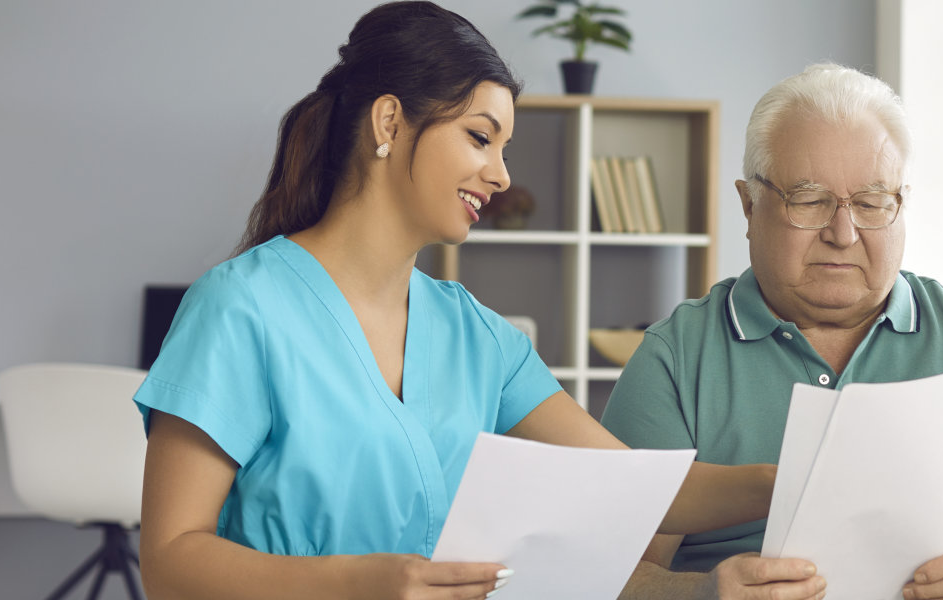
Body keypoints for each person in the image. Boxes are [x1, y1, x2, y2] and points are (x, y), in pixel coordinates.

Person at [134, 4, 774, 599]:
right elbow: (169, 560)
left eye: (504, 149)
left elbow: (637, 489)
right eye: (479, 137)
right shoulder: (240, 307)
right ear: (389, 122)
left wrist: (781, 483)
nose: (501, 175)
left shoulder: (478, 335)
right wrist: (361, 584)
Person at [602, 63, 943, 600]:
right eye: (810, 201)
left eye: (871, 203)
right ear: (749, 206)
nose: (843, 234)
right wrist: (701, 593)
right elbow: (606, 572)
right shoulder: (675, 359)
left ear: (901, 205)